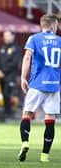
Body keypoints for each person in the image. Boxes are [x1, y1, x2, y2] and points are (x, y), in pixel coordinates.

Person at [17, 14, 61, 162]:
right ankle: (44, 156)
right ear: (54, 26)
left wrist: (23, 77)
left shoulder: (34, 38)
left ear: (42, 25)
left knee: (27, 113)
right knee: (50, 118)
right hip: (54, 85)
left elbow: (27, 57)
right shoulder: (60, 41)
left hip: (36, 83)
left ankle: (25, 143)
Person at [0, 30, 21, 120]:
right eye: (4, 36)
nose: (6, 37)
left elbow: (14, 63)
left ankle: (9, 114)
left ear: (13, 36)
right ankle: (6, 113)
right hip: (1, 75)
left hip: (11, 76)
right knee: (3, 94)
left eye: (7, 35)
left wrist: (3, 71)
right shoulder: (2, 47)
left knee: (8, 94)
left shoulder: (16, 48)